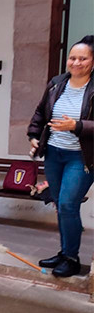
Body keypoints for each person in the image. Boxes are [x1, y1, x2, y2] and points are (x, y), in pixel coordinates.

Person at [29, 35, 94, 277]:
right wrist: (34, 135)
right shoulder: (57, 83)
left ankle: (71, 258)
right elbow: (40, 112)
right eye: (72, 58)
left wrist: (76, 126)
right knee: (60, 204)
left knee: (68, 203)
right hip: (54, 153)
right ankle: (65, 251)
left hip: (81, 156)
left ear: (93, 61)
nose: (76, 62)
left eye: (83, 58)